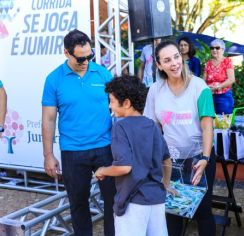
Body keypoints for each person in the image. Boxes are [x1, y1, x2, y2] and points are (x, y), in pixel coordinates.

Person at [41, 29, 115, 236]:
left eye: (89, 56)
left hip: (105, 148)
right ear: (66, 53)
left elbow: (120, 108)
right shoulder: (53, 79)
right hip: (73, 152)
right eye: (80, 58)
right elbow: (48, 119)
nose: (85, 61)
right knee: (78, 204)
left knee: (114, 201)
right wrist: (48, 155)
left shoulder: (103, 73)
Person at [144, 41, 216, 236]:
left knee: (203, 211)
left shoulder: (200, 86)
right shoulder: (155, 90)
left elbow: (207, 124)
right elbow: (152, 129)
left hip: (199, 158)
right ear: (159, 65)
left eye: (176, 56)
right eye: (167, 60)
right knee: (172, 211)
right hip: (170, 162)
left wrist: (205, 158)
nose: (174, 63)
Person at [95, 75, 172, 236]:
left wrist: (102, 170)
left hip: (133, 201)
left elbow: (124, 167)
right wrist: (165, 184)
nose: (110, 106)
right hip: (156, 200)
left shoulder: (120, 127)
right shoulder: (151, 125)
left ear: (127, 103)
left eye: (112, 101)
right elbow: (166, 159)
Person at [204, 39, 235, 115]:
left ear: (222, 49)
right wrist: (207, 87)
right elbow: (203, 80)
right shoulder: (208, 63)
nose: (214, 50)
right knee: (210, 121)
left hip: (224, 96)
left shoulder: (227, 61)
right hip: (210, 96)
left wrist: (218, 87)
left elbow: (231, 79)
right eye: (212, 48)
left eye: (217, 48)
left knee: (224, 123)